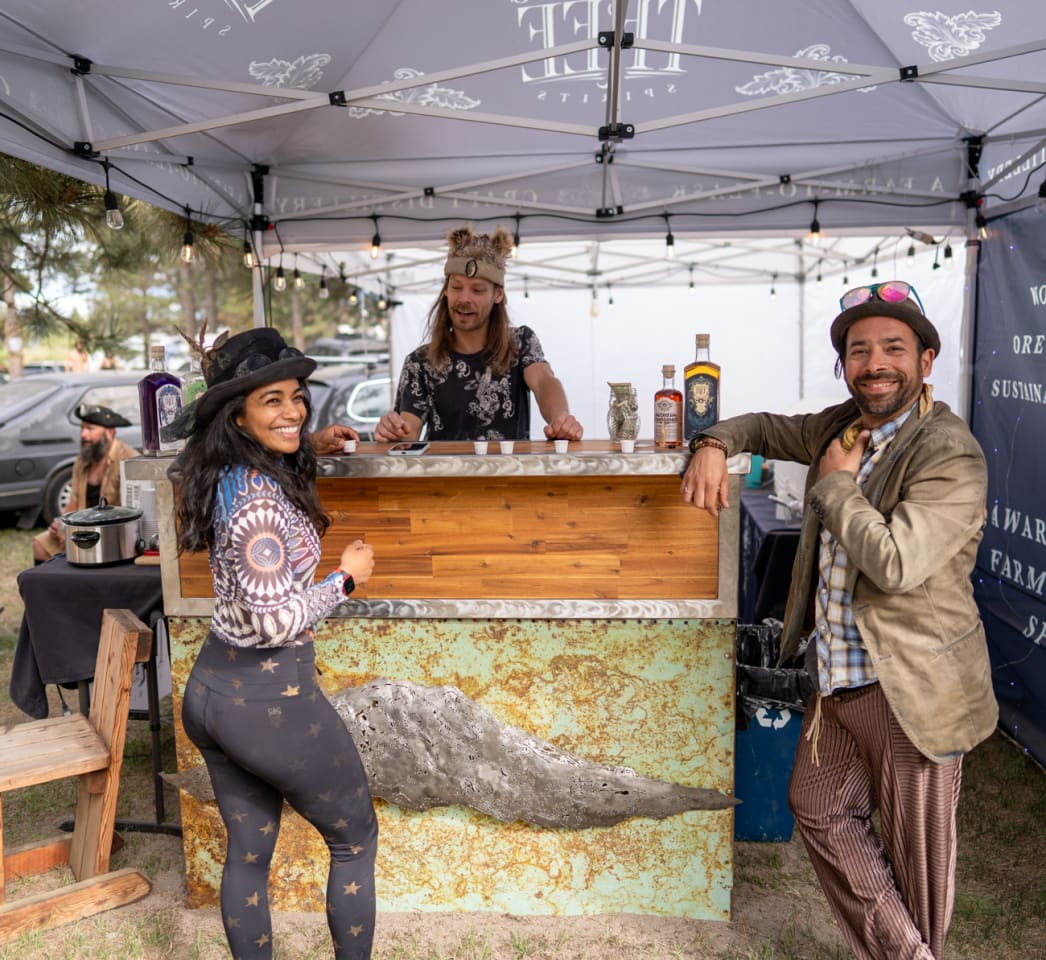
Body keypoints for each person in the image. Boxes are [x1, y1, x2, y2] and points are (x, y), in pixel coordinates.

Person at [681, 281, 998, 960]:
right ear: (844, 365)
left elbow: (895, 563)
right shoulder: (839, 428)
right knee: (817, 807)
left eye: (893, 347)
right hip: (837, 679)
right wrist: (712, 441)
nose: (875, 362)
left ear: (927, 360)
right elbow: (764, 427)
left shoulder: (948, 450)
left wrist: (836, 485)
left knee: (919, 863)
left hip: (911, 685)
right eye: (859, 350)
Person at [170, 327, 378, 960]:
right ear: (238, 415)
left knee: (251, 851)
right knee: (355, 839)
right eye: (272, 402)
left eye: (296, 397)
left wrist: (300, 441)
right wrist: (345, 580)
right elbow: (274, 622)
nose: (292, 411)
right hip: (266, 696)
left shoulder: (235, 470)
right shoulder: (256, 504)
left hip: (215, 692)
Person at [375, 224, 583, 443]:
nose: (464, 298)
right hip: (443, 477)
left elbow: (543, 381)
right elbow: (408, 429)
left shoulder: (520, 343)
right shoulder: (419, 363)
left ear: (498, 295)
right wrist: (393, 430)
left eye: (477, 290)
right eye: (457, 287)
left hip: (510, 476)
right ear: (445, 290)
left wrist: (560, 419)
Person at [32, 404, 138, 562]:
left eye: (90, 429)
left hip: (113, 532)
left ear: (110, 432)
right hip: (82, 528)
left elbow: (131, 512)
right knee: (40, 545)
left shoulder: (129, 460)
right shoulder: (82, 461)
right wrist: (61, 524)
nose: (83, 435)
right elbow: (74, 502)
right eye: (81, 428)